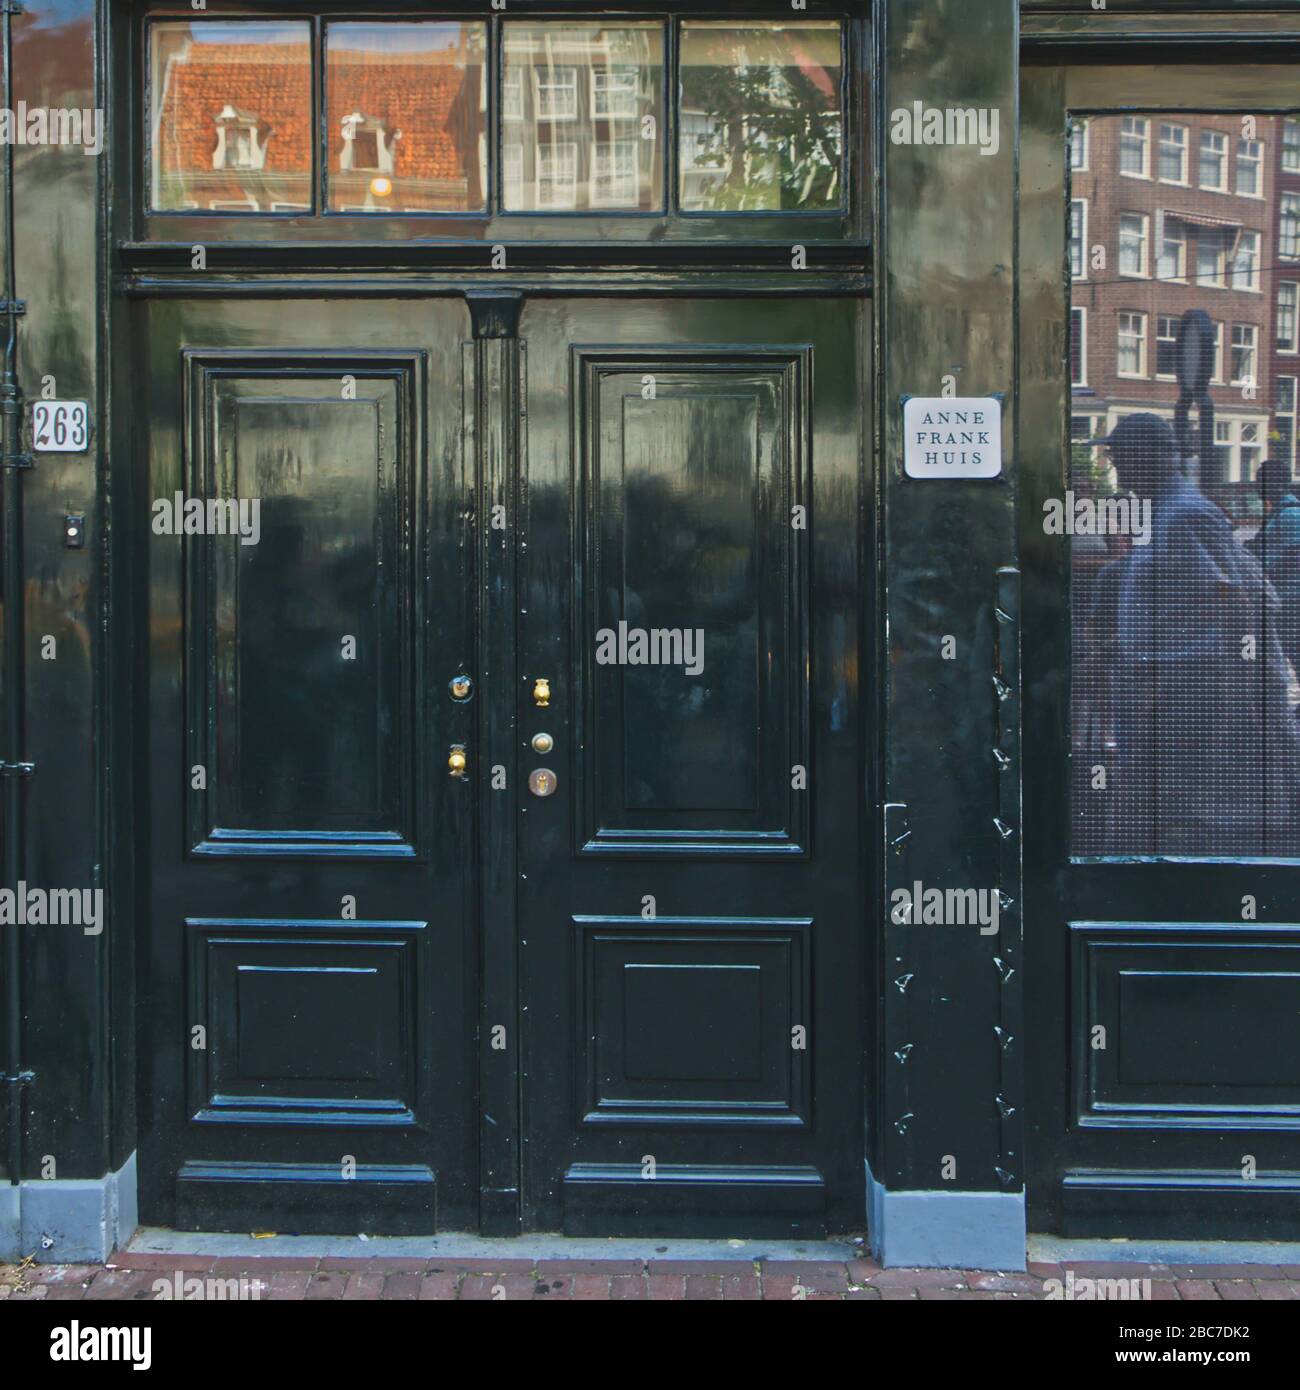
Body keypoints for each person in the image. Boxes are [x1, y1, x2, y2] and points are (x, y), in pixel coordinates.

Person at [1095, 414, 1300, 855]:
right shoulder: (1164, 512)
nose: (1117, 468)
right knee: (1164, 795)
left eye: (1122, 457)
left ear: (1150, 458)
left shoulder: (1185, 513)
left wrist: (1233, 678)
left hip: (1181, 680)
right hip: (1161, 675)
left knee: (1181, 796)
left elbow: (1235, 598)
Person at [1251, 459, 1300, 678]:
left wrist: (1266, 571)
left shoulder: (1291, 514)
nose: (1256, 487)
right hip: (1281, 599)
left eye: (1261, 481)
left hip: (1292, 600)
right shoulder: (1278, 513)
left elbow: (1295, 554)